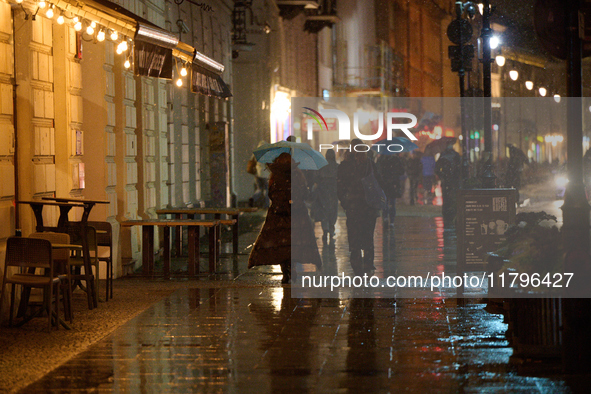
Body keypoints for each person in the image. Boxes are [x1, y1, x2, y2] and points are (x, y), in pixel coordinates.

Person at [248, 152, 321, 283]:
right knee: (294, 243)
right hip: (297, 214)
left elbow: (271, 194)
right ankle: (292, 267)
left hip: (278, 214)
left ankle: (285, 270)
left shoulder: (275, 176)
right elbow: (304, 193)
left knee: (280, 244)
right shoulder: (297, 174)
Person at [337, 139, 381, 275]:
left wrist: (346, 202)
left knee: (356, 238)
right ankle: (367, 265)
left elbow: (340, 187)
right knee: (366, 237)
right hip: (366, 207)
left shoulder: (346, 165)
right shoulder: (370, 165)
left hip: (355, 207)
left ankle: (359, 267)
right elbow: (379, 183)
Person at [311, 149, 339, 244]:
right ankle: (331, 228)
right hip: (333, 190)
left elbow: (316, 178)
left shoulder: (321, 166)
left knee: (324, 210)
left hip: (323, 191)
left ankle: (325, 228)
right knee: (333, 210)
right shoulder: (336, 166)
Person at [435, 143, 461, 227]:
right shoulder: (455, 155)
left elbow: (437, 168)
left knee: (446, 197)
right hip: (452, 180)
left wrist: (442, 175)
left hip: (446, 179)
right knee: (451, 196)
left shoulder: (443, 155)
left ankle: (447, 213)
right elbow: (459, 168)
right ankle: (450, 213)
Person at [377, 153, 405, 226]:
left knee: (386, 202)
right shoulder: (395, 159)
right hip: (392, 184)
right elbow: (401, 171)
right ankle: (391, 220)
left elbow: (378, 171)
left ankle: (386, 217)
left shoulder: (382, 159)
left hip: (386, 183)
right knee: (391, 203)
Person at [250, 141, 269, 208]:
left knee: (259, 189)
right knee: (266, 189)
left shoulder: (256, 153)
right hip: (265, 174)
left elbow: (252, 161)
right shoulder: (266, 153)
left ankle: (253, 198)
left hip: (257, 174)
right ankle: (266, 205)